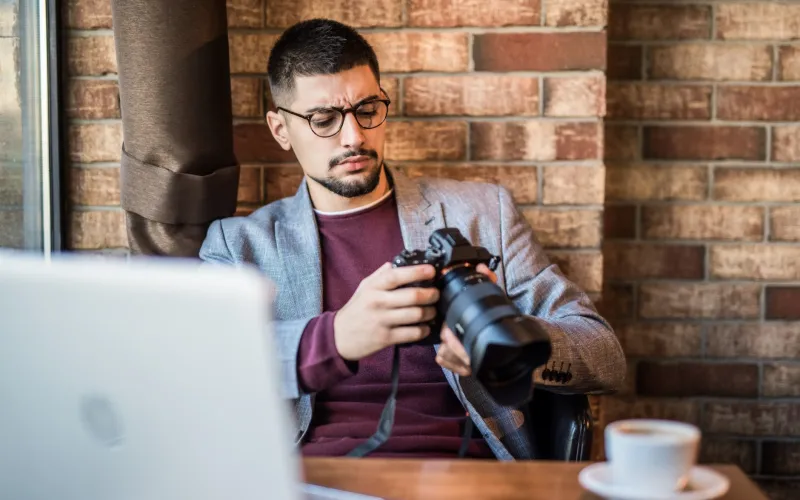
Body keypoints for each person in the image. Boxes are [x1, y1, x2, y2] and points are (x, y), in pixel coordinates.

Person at [199, 18, 625, 461]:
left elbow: (605, 355)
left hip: (468, 474)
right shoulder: (239, 245)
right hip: (315, 478)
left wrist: (508, 343)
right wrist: (335, 337)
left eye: (367, 110)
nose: (354, 137)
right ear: (280, 129)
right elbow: (203, 371)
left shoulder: (482, 212)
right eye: (324, 120)